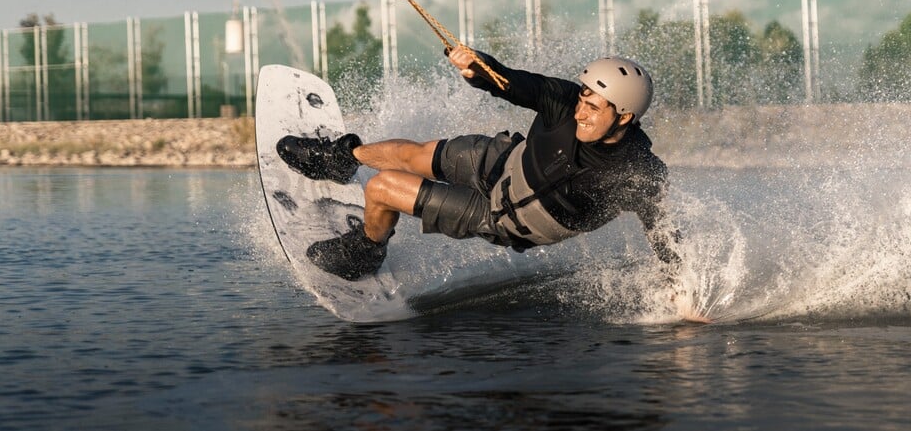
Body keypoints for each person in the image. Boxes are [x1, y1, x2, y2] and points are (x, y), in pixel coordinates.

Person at [277, 45, 680, 285]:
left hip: (505, 216)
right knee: (415, 154)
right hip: (504, 161)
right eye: (582, 101)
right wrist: (476, 67)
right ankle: (340, 160)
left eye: (593, 108)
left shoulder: (635, 170)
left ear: (624, 116)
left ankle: (367, 249)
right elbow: (511, 81)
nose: (580, 113)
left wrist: (682, 289)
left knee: (381, 188)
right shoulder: (564, 100)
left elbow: (662, 229)